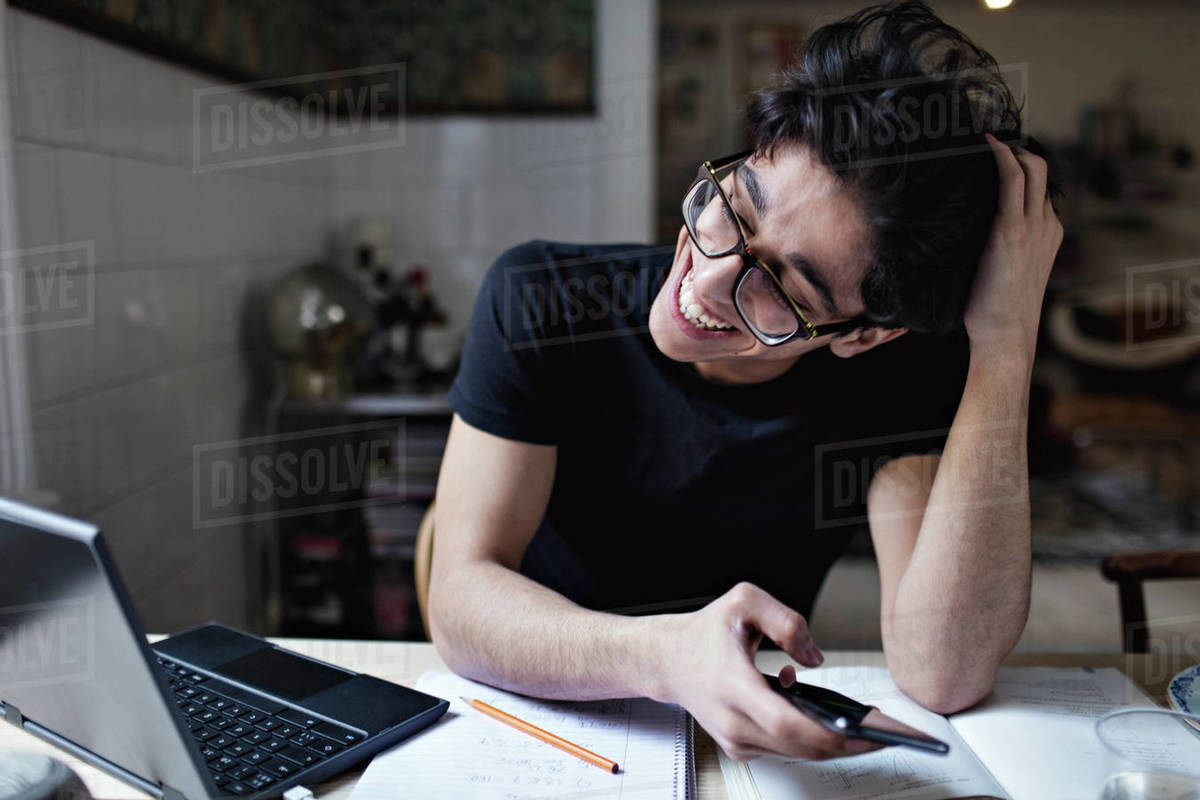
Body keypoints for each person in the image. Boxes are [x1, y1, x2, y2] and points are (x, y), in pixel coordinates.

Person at [428, 0, 1062, 762]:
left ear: (862, 334)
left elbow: (943, 672)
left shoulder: (901, 372)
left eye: (785, 285)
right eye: (735, 207)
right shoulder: (542, 298)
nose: (712, 275)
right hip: (540, 710)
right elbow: (461, 599)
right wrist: (666, 656)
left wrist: (1005, 339)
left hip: (741, 742)